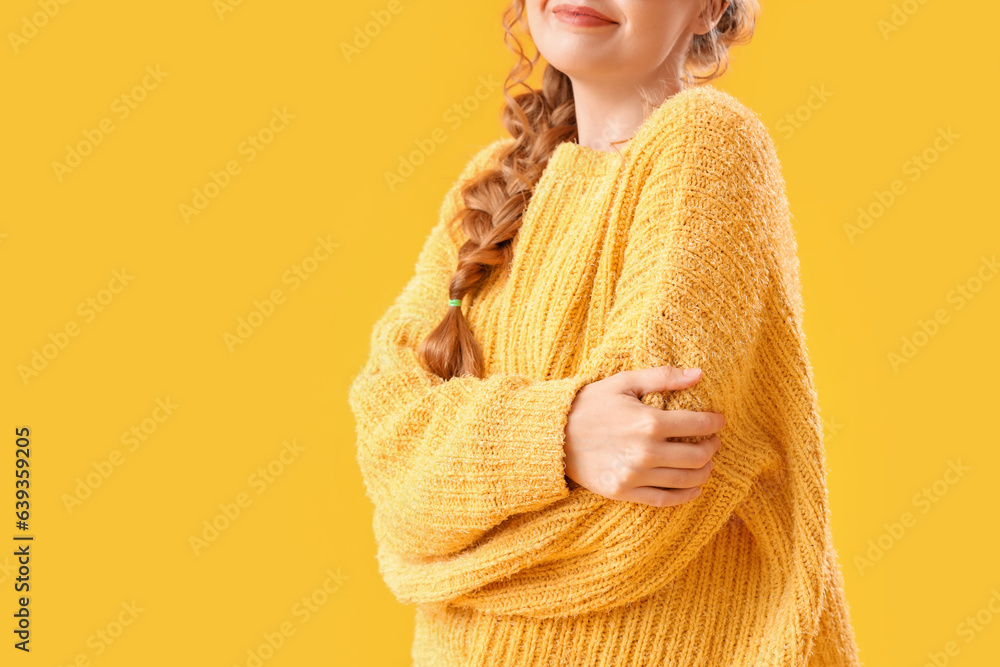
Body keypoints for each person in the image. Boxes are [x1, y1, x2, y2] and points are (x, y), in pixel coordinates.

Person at [348, 1, 864, 665]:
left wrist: (442, 545)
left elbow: (643, 494)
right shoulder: (490, 188)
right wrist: (555, 436)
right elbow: (387, 452)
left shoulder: (706, 141)